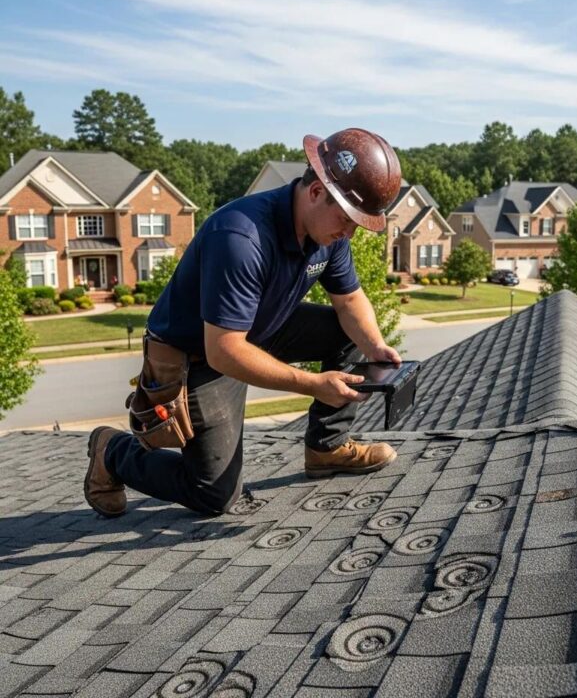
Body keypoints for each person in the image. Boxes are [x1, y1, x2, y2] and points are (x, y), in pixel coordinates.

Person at [84, 128, 403, 518]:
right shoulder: (241, 236)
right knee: (212, 494)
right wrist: (314, 386)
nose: (349, 231)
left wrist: (375, 348)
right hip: (199, 354)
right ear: (317, 191)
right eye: (348, 219)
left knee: (346, 332)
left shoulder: (329, 235)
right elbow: (225, 350)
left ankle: (326, 448)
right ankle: (112, 452)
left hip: (256, 328)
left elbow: (350, 300)